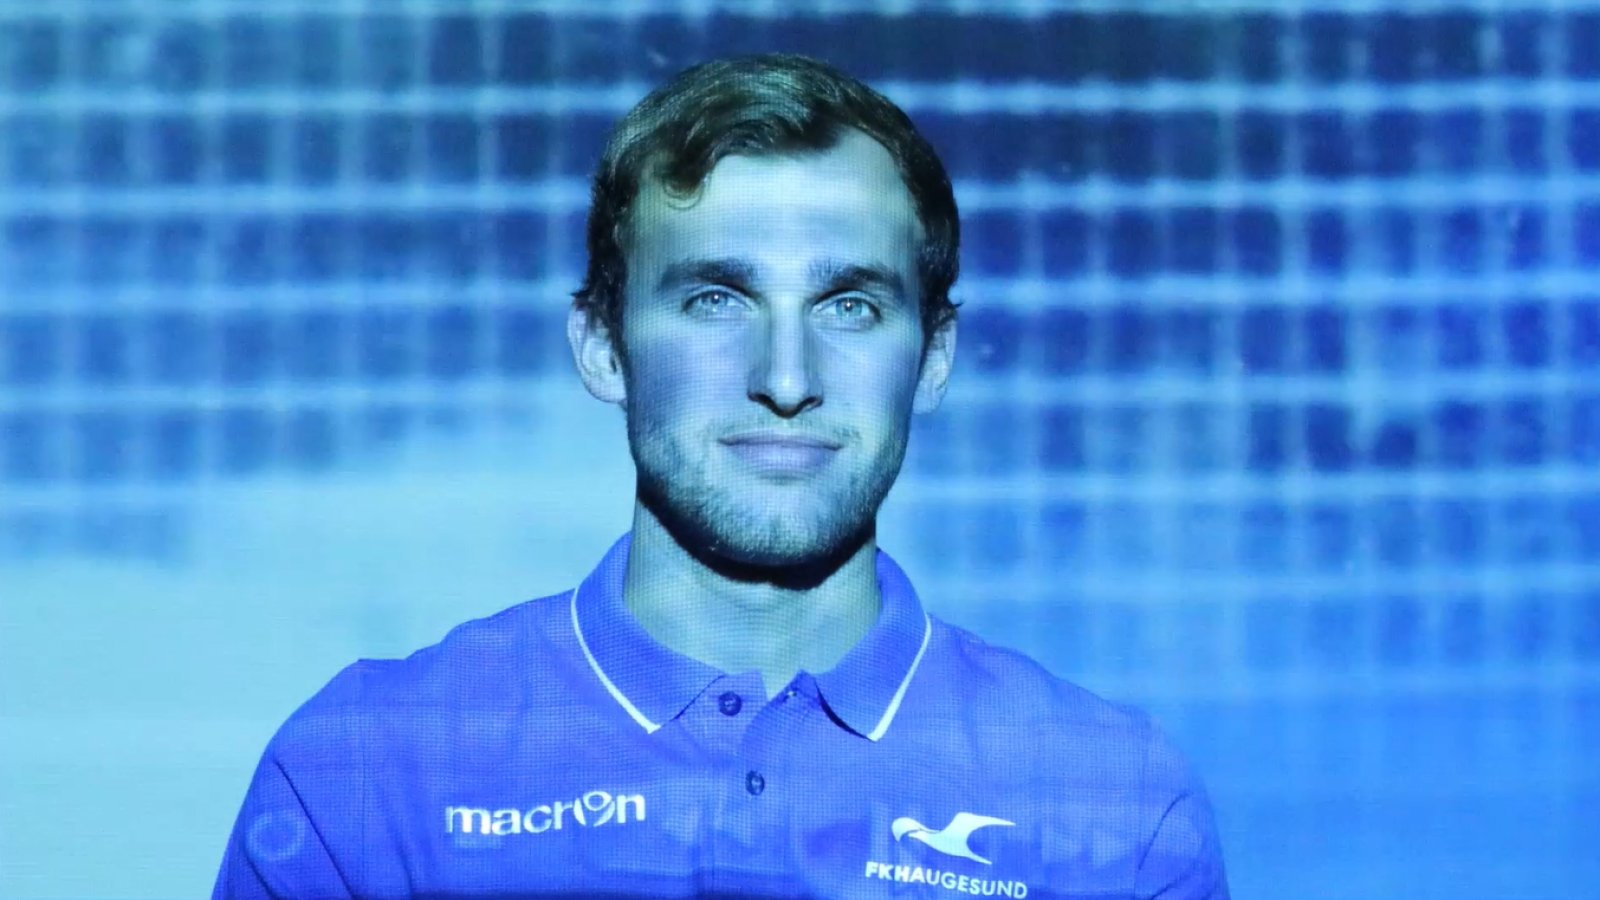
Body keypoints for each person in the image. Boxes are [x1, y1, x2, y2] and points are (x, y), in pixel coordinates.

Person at [213, 53, 1229, 899]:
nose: (785, 380)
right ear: (603, 347)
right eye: (715, 300)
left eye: (850, 307)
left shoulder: (1115, 805)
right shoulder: (369, 771)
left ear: (933, 359)